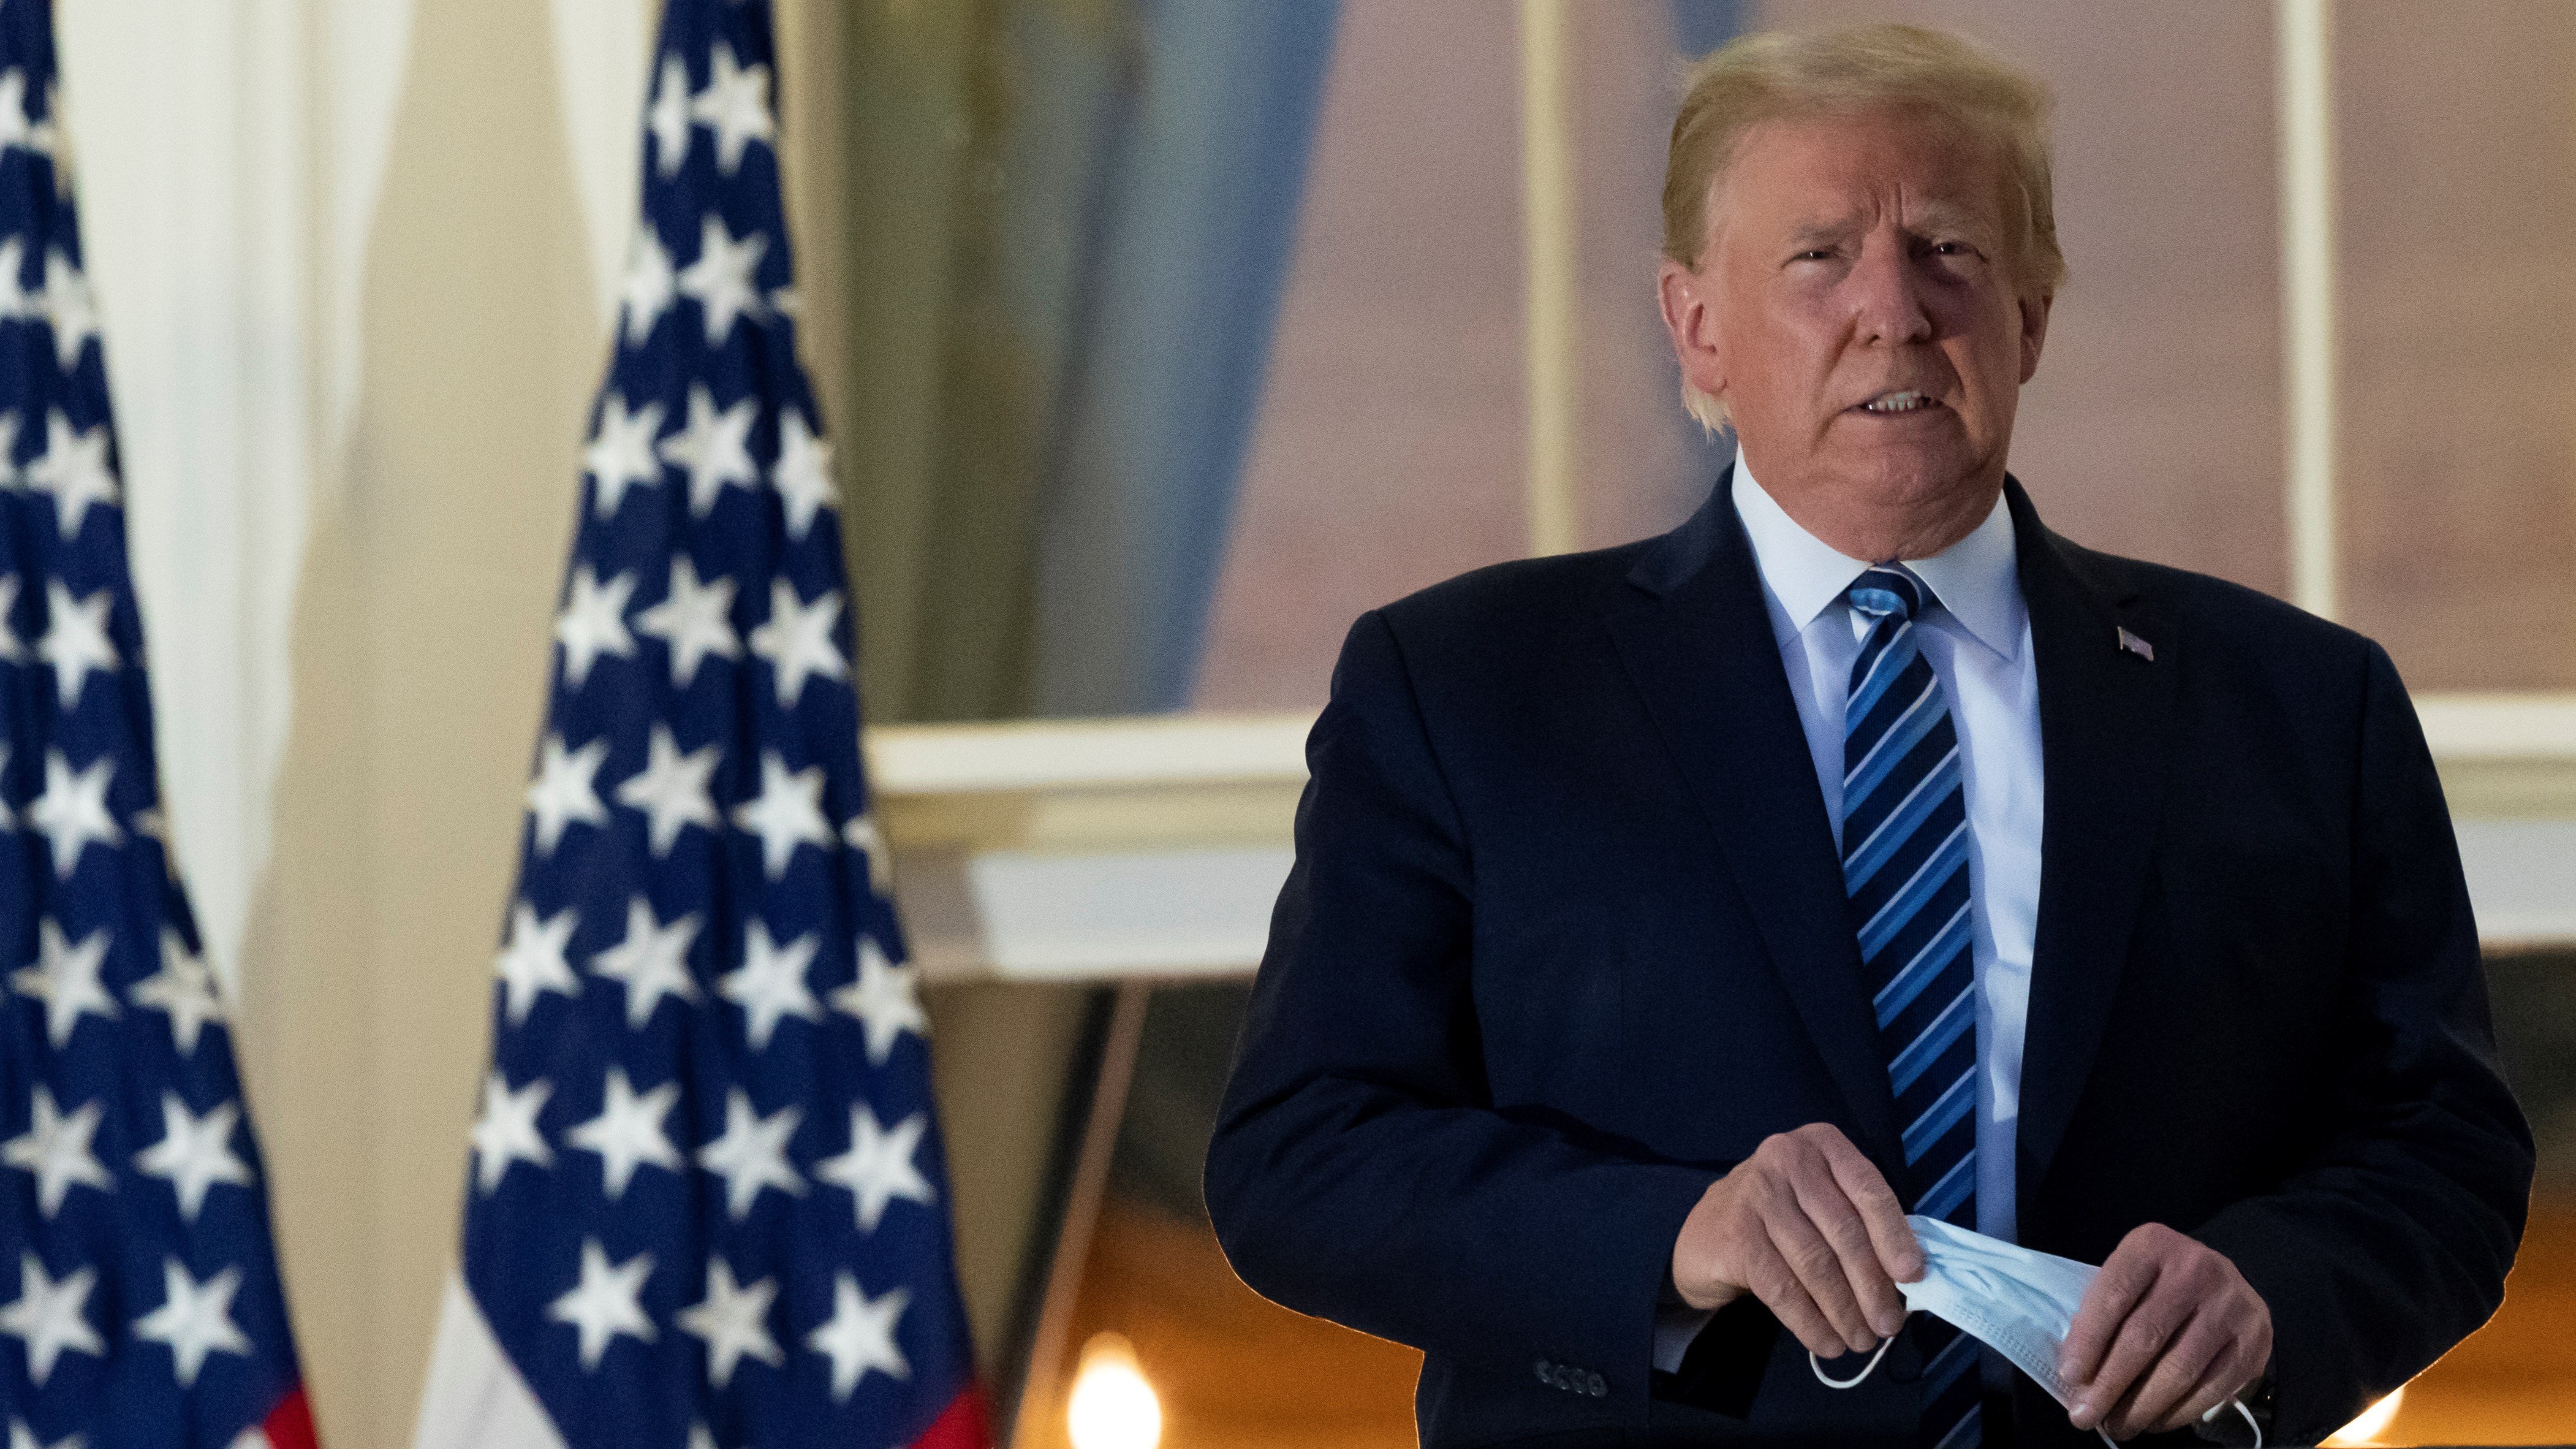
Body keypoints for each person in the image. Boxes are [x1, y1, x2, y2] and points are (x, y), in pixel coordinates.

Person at [1202, 22, 2531, 1449]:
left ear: (2028, 316)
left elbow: (2441, 1151)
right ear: (1694, 324)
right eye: (1818, 255)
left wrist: (2275, 1294)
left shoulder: (2298, 708)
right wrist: (1668, 1236)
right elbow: (1301, 1153)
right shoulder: (1465, 688)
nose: (1892, 311)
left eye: (1948, 252)